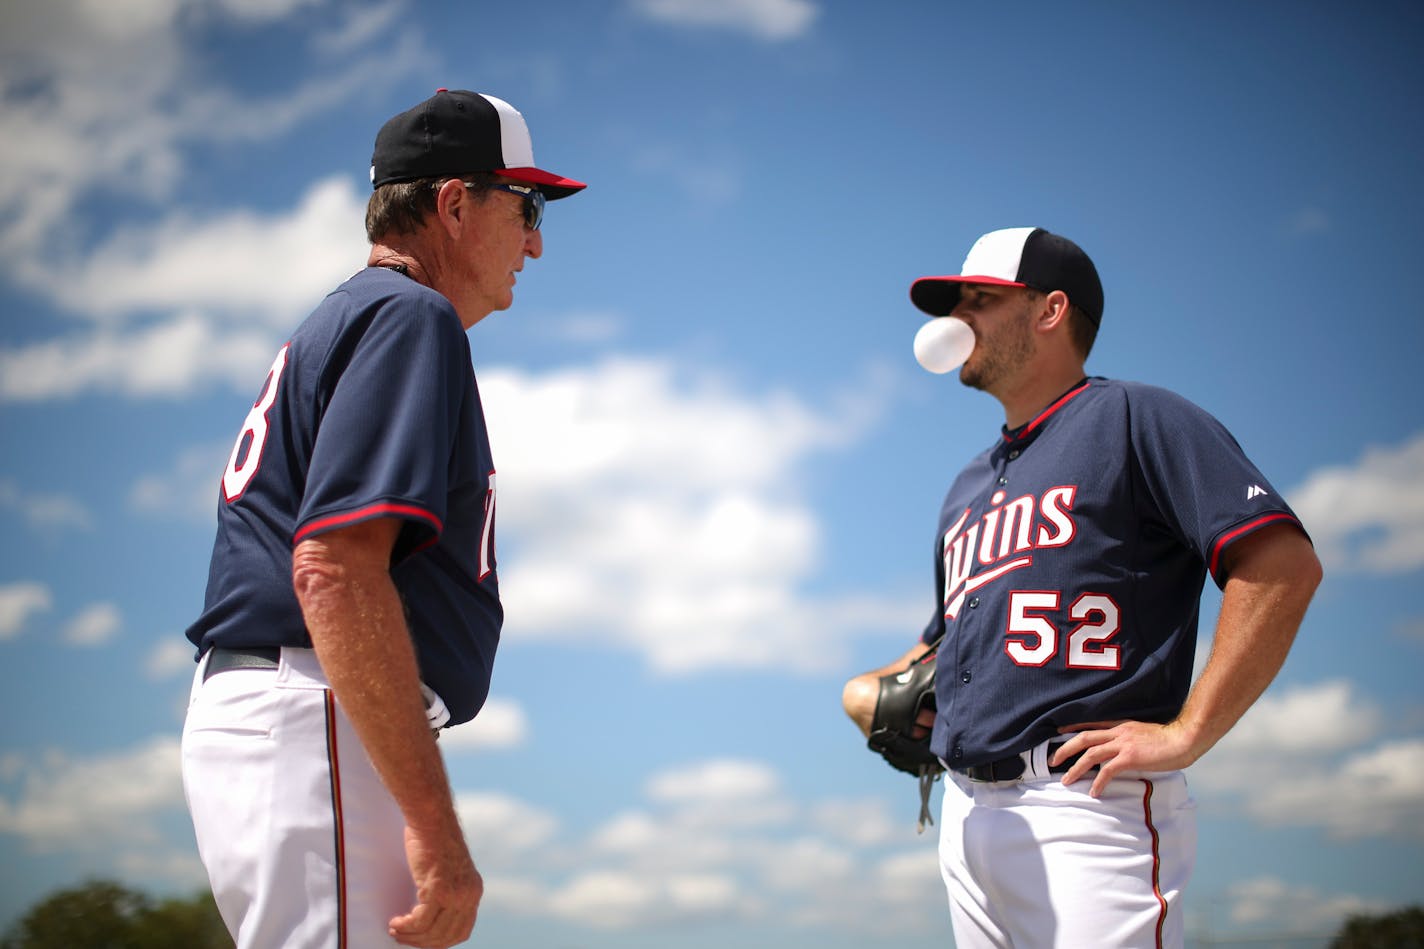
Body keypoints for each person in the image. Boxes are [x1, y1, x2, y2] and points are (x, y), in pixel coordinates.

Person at [180, 89, 585, 949]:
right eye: (527, 205)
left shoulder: (355, 316)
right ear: (452, 204)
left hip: (293, 708)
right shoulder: (409, 315)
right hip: (312, 704)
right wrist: (437, 831)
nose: (537, 241)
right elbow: (333, 565)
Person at [842, 227, 1321, 948]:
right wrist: (874, 686)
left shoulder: (1136, 417)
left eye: (979, 299)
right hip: (969, 815)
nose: (954, 321)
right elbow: (943, 639)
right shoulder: (967, 486)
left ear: (1049, 310)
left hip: (1086, 804)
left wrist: (1188, 732)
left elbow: (1282, 564)